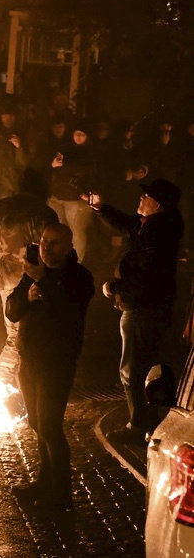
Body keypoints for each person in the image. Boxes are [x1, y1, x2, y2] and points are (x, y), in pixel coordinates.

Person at [5, 223, 94, 509]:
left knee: (50, 426)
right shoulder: (33, 272)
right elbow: (12, 310)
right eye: (44, 241)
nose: (46, 247)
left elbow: (68, 312)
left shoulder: (79, 277)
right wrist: (27, 296)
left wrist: (43, 281)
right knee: (36, 423)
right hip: (29, 358)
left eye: (54, 243)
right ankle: (44, 482)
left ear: (69, 246)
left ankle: (61, 494)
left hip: (56, 362)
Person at [89, 179, 184, 442]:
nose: (140, 199)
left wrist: (116, 287)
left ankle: (139, 425)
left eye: (146, 196)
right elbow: (125, 222)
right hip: (151, 305)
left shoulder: (156, 234)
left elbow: (144, 275)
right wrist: (100, 207)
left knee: (131, 370)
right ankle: (152, 419)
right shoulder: (152, 226)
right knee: (146, 363)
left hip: (143, 307)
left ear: (159, 204)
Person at [0, 170, 59, 394]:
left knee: (17, 331)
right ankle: (2, 384)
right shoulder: (44, 213)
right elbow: (51, 250)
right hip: (31, 278)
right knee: (20, 335)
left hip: (3, 276)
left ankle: (19, 384)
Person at [47, 129, 97, 262]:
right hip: (58, 196)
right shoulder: (64, 149)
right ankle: (61, 260)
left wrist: (63, 167)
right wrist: (53, 165)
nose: (79, 137)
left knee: (77, 232)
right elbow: (53, 168)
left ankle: (77, 263)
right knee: (60, 231)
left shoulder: (90, 151)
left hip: (75, 199)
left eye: (82, 134)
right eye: (76, 133)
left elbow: (85, 169)